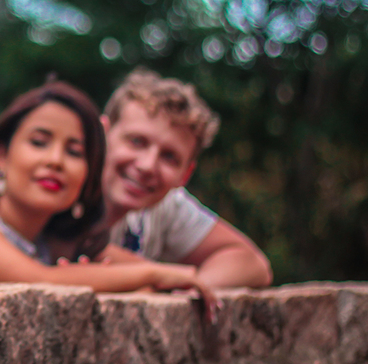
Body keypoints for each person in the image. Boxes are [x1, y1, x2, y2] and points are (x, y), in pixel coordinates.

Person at [0, 80, 220, 316]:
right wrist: (153, 277)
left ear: (88, 172)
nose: (56, 160)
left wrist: (154, 280)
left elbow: (142, 277)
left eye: (74, 151)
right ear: (2, 156)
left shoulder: (58, 242)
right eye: (39, 142)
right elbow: (39, 282)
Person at [93, 68, 272, 288]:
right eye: (137, 141)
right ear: (100, 136)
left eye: (169, 157)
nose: (148, 166)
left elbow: (252, 264)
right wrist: (158, 276)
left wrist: (188, 290)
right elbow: (79, 247)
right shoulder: (60, 186)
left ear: (185, 174)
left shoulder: (166, 205)